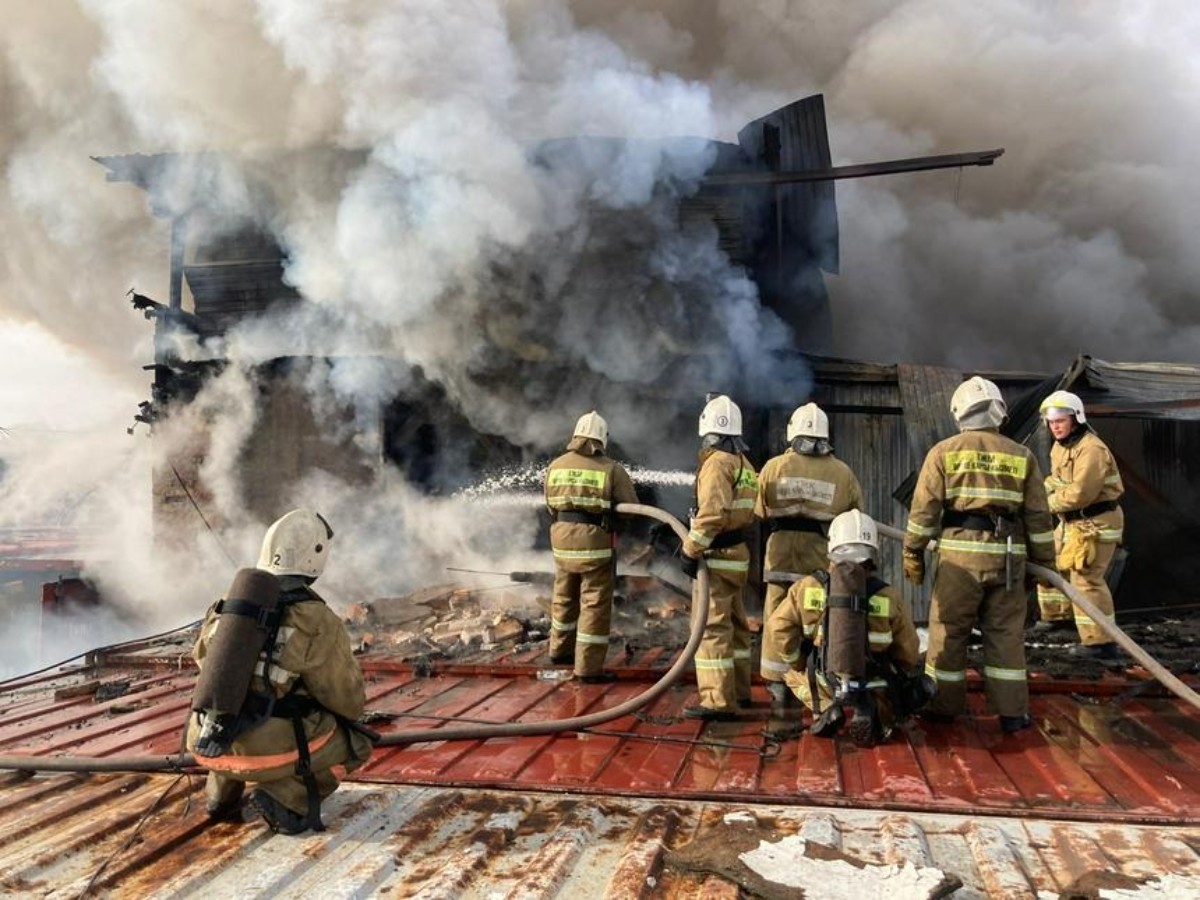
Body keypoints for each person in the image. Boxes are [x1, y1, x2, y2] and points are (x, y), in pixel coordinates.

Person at [187, 509, 374, 835]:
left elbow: (205, 661)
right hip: (263, 753)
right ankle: (288, 797)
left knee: (233, 703)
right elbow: (347, 700)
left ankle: (220, 795)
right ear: (315, 555)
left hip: (203, 741)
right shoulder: (315, 618)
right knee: (357, 742)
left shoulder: (227, 605)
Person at [903, 377, 1056, 734]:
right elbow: (1038, 517)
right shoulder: (1022, 456)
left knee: (949, 632)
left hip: (959, 560)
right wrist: (1044, 564)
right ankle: (1012, 713)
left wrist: (913, 551)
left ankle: (943, 705)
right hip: (1008, 559)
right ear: (999, 412)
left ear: (959, 413)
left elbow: (924, 511)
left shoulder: (944, 452)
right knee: (1005, 636)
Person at [762, 510, 932, 746]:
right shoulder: (888, 595)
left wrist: (798, 661)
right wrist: (897, 672)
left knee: (791, 675)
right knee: (892, 690)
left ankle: (826, 708)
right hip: (874, 681)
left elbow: (777, 627)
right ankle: (874, 710)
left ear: (832, 547)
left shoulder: (807, 587)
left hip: (825, 681)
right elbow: (909, 650)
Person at [755, 402, 863, 704]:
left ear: (792, 432)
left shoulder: (774, 467)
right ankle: (814, 676)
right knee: (814, 615)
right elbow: (855, 516)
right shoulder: (842, 472)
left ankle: (777, 680)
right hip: (818, 554)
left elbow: (758, 511)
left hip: (780, 553)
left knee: (777, 614)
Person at [680, 394, 759, 720]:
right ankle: (739, 692)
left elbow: (713, 514)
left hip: (717, 555)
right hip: (737, 555)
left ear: (708, 431)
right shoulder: (744, 464)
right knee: (737, 626)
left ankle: (717, 701)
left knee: (711, 627)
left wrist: (690, 549)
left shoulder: (716, 463)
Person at [544, 411, 639, 682]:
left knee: (563, 596)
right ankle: (587, 669)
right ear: (601, 439)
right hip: (594, 545)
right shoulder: (611, 469)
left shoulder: (556, 465)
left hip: (561, 543)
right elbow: (630, 507)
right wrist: (612, 519)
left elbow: (550, 505)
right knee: (594, 603)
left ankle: (559, 651)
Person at [1034, 390, 1125, 660]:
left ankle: (1101, 642)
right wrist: (1035, 492)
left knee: (1086, 579)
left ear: (1076, 419)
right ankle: (1058, 618)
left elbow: (1079, 494)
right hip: (1071, 522)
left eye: (1060, 421)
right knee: (1047, 561)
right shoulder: (1060, 446)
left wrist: (1042, 505)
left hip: (1095, 522)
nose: (1055, 427)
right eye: (1051, 422)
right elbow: (1056, 480)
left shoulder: (1092, 449)